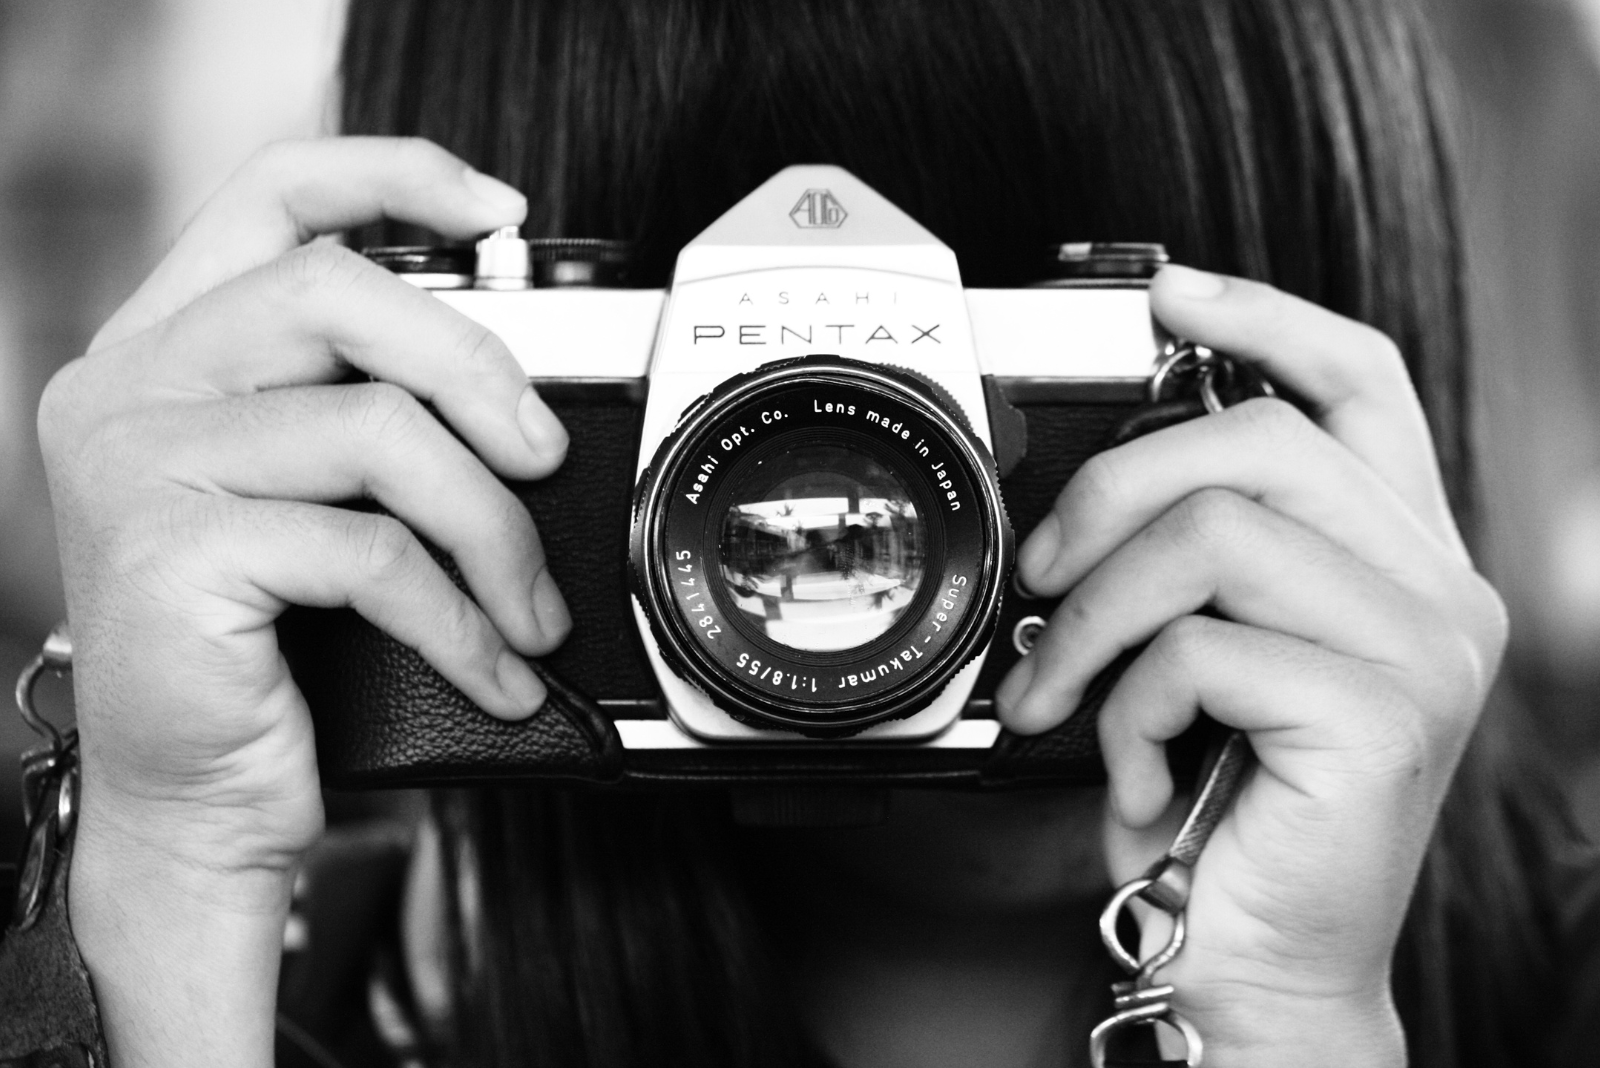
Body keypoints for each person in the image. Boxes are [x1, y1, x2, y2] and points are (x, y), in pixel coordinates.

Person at [18, 0, 1599, 1065]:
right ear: (440, 394)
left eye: (998, 383)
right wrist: (170, 899)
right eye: (742, 387)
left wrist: (1294, 1023)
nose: (924, 518)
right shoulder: (246, 963)